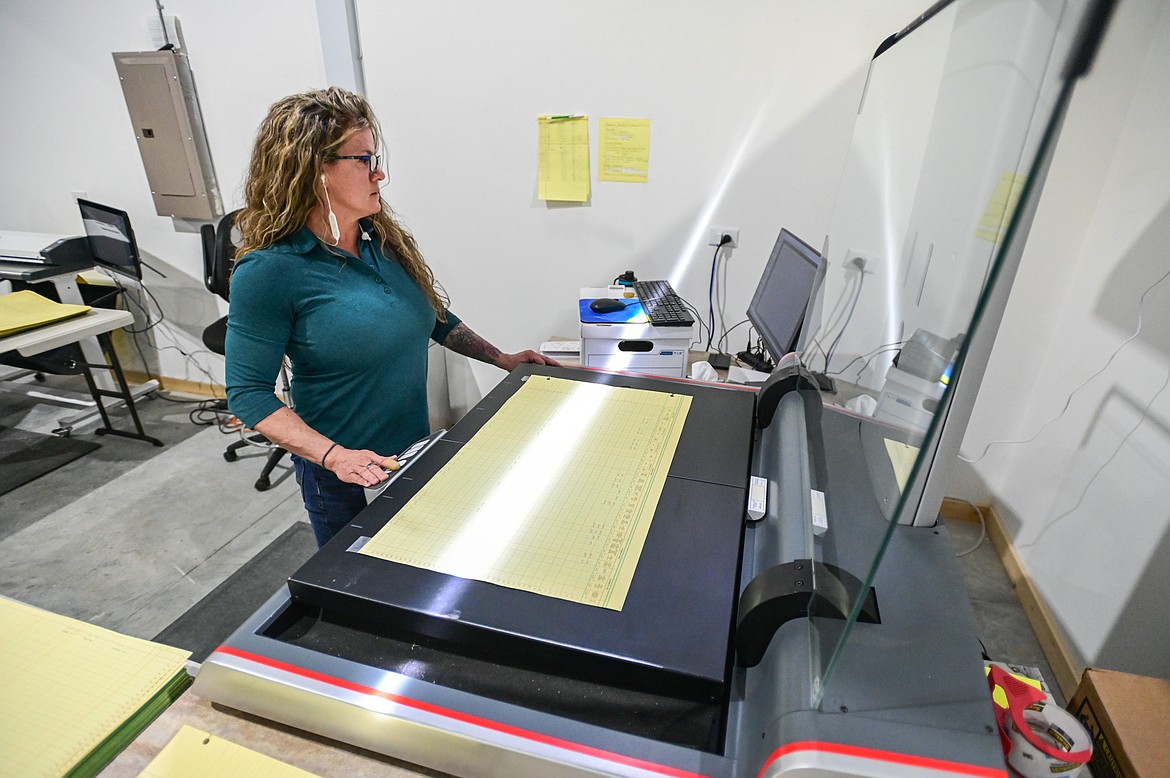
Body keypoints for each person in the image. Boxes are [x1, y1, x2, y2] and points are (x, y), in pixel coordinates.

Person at [226, 87, 557, 547]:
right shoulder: (270, 270)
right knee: (357, 592)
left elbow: (432, 314)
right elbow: (248, 395)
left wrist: (502, 358)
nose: (379, 174)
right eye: (363, 160)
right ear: (312, 169)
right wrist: (334, 456)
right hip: (341, 475)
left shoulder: (379, 236)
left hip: (409, 452)